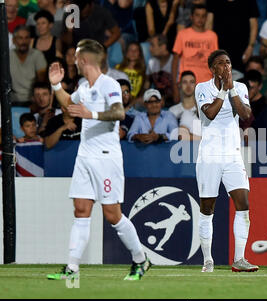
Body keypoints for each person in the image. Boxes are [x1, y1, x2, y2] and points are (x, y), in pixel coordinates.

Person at [46, 39, 150, 281]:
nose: (73, 61)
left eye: (76, 57)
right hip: (85, 156)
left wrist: (90, 113)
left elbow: (119, 112)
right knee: (81, 209)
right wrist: (55, 86)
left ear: (84, 60)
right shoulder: (84, 86)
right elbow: (70, 104)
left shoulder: (109, 84)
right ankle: (72, 268)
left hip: (105, 158)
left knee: (112, 214)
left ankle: (141, 260)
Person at [194, 49, 258, 273]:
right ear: (213, 69)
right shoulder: (201, 88)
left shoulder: (239, 87)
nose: (226, 67)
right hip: (209, 156)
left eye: (229, 63)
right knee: (207, 208)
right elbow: (210, 113)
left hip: (232, 155)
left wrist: (231, 90)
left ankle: (239, 259)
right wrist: (222, 90)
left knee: (244, 205)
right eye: (221, 64)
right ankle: (208, 260)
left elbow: (245, 114)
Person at [171, 3, 219, 103]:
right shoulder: (182, 34)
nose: (200, 19)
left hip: (207, 86)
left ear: (206, 18)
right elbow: (175, 60)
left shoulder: (212, 36)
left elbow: (216, 63)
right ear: (191, 17)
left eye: (203, 16)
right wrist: (175, 87)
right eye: (197, 15)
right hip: (186, 85)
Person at [206, 0, 260, 73]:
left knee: (240, 80)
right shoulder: (214, 1)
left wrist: (250, 46)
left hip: (241, 49)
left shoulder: (249, 1)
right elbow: (209, 24)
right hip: (219, 48)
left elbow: (254, 25)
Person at [9, 25, 47, 106]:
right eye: (20, 38)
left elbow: (41, 80)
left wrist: (35, 100)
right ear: (13, 40)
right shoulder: (7, 56)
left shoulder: (37, 55)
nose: (24, 41)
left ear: (30, 40)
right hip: (11, 101)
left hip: (33, 101)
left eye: (26, 38)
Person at [168, 71, 201, 141]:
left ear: (196, 85)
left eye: (191, 82)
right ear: (179, 85)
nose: (188, 86)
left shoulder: (203, 109)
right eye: (185, 82)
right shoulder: (172, 111)